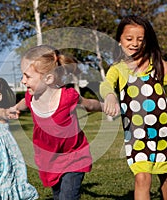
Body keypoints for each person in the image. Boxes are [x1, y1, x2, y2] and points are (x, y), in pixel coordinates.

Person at [99, 15, 167, 200]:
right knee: (142, 178)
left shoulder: (158, 65)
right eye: (129, 39)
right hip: (137, 134)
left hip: (164, 132)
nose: (135, 43)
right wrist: (110, 96)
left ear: (148, 40)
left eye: (140, 39)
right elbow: (106, 84)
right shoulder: (118, 69)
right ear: (119, 41)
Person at [8, 45, 103, 200]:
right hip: (50, 160)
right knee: (58, 196)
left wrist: (105, 107)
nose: (23, 81)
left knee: (67, 197)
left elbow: (89, 105)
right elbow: (24, 103)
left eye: (27, 76)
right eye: (22, 76)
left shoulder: (67, 97)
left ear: (49, 78)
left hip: (74, 157)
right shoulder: (31, 97)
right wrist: (15, 108)